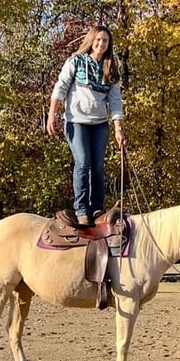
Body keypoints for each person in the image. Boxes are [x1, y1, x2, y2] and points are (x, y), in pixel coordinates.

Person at [47, 25, 126, 225]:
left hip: (99, 124)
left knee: (98, 166)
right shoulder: (76, 61)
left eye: (105, 41)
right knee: (83, 163)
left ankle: (97, 208)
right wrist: (52, 115)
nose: (101, 44)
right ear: (92, 40)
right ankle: (82, 209)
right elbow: (61, 87)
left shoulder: (111, 69)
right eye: (98, 39)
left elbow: (115, 102)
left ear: (109, 45)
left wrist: (118, 128)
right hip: (76, 122)